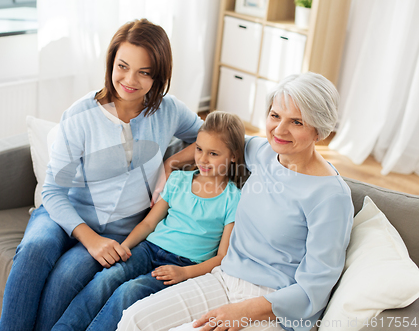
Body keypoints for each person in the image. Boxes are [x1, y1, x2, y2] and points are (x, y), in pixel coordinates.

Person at [0, 19, 204, 331]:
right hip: (61, 213)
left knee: (67, 276)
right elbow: (53, 191)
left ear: (158, 75)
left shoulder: (168, 110)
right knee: (36, 249)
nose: (129, 79)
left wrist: (171, 163)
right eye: (122, 66)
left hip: (118, 231)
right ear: (111, 62)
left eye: (144, 72)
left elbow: (212, 137)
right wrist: (90, 239)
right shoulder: (81, 114)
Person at [117, 72, 355, 331]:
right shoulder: (264, 153)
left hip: (274, 306)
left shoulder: (330, 197)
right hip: (225, 278)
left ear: (319, 129)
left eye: (296, 122)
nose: (280, 129)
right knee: (134, 319)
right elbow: (216, 141)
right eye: (275, 116)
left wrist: (245, 310)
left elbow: (315, 288)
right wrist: (170, 164)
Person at [51, 111, 248, 331]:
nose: (202, 159)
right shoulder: (178, 180)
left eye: (213, 153)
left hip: (182, 265)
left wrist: (185, 273)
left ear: (233, 155)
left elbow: (222, 257)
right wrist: (125, 247)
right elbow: (148, 224)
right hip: (148, 249)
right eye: (199, 149)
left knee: (130, 291)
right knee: (106, 279)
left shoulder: (234, 198)